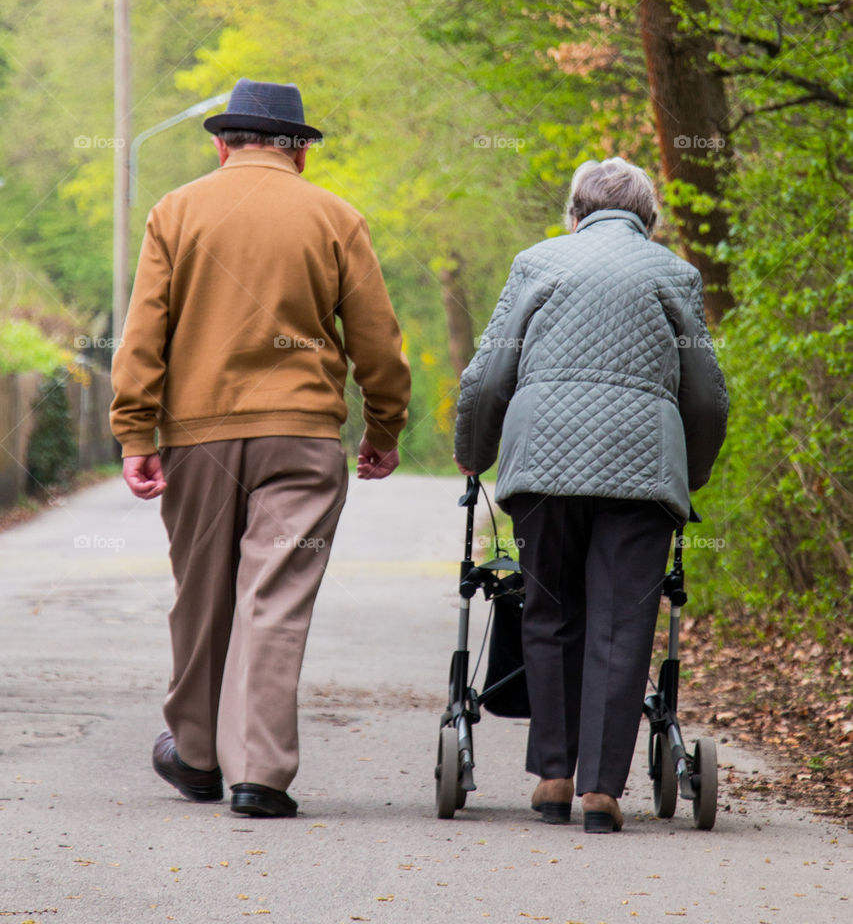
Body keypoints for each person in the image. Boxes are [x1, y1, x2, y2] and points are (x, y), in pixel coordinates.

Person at [111, 78, 411, 818]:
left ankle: (196, 754)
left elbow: (143, 333)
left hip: (197, 438)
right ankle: (261, 775)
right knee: (274, 601)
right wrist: (382, 427)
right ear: (300, 153)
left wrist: (135, 433)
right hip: (303, 439)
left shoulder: (176, 212)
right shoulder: (336, 217)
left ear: (222, 145)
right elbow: (377, 342)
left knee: (201, 596)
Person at [454, 157, 728, 833]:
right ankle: (602, 792)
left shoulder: (537, 264)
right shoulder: (675, 275)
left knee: (547, 609)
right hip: (641, 472)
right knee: (621, 621)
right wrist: (688, 471)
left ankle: (552, 775)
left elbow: (488, 377)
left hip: (543, 466)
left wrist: (473, 455)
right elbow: (705, 393)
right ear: (649, 221)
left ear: (572, 214)